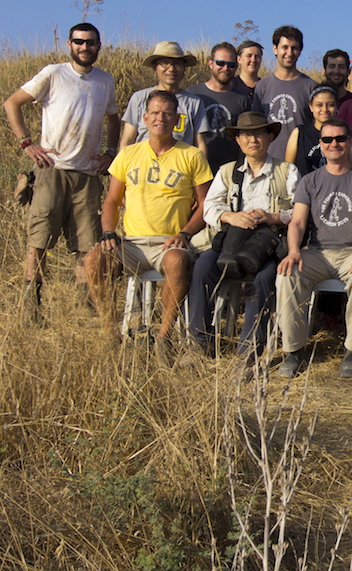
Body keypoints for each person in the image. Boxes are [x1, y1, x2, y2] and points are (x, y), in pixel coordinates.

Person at [4, 22, 120, 320]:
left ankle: (87, 305)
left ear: (99, 46)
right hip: (51, 169)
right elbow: (12, 103)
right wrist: (26, 143)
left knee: (87, 242)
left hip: (88, 175)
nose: (85, 47)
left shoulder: (105, 80)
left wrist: (110, 152)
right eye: (79, 42)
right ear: (69, 44)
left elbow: (113, 118)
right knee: (39, 239)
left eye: (91, 42)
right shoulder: (53, 73)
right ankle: (31, 307)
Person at [85, 90, 213, 356]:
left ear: (177, 119)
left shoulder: (191, 156)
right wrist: (108, 231)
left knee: (177, 262)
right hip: (131, 242)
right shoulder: (128, 154)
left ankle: (163, 337)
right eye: (155, 112)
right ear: (144, 118)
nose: (160, 118)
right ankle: (111, 333)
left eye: (167, 113)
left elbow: (205, 205)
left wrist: (185, 233)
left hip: (169, 242)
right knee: (94, 260)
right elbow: (110, 200)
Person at [187, 112, 299, 362]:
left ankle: (249, 349)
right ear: (238, 140)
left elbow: (299, 211)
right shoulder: (227, 172)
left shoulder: (287, 171)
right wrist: (231, 217)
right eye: (246, 134)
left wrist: (271, 217)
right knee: (203, 266)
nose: (253, 139)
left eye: (260, 133)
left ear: (270, 137)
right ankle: (199, 341)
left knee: (266, 277)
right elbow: (209, 208)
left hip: (268, 244)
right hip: (230, 241)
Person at [275, 118, 352, 378]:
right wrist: (294, 251)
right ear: (321, 145)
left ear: (350, 142)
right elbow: (298, 222)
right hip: (317, 252)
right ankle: (293, 350)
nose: (334, 144)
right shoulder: (309, 181)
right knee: (287, 276)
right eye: (327, 139)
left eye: (340, 139)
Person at [119, 41, 209, 156]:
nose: (171, 69)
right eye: (165, 63)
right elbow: (127, 140)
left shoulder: (194, 103)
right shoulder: (139, 98)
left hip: (180, 168)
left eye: (177, 64)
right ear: (155, 67)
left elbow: (200, 144)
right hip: (142, 167)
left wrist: (201, 170)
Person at [251, 26, 317, 160]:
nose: (289, 52)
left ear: (299, 51)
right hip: (269, 160)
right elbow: (256, 126)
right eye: (285, 47)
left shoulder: (310, 86)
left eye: (294, 48)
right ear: (275, 49)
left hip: (303, 161)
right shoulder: (262, 86)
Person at [186, 43, 251, 173]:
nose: (225, 68)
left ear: (236, 67)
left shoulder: (243, 100)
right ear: (211, 63)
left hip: (230, 171)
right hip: (194, 169)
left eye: (231, 65)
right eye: (220, 63)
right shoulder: (192, 95)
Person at [284, 84, 339, 175]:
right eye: (319, 105)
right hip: (304, 187)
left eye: (330, 105)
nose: (324, 109)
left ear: (337, 106)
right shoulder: (299, 133)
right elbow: (288, 170)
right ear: (311, 106)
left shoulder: (344, 135)